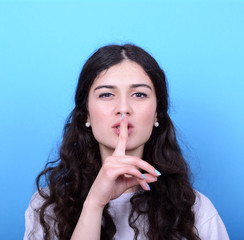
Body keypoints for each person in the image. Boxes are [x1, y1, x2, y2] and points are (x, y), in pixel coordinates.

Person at [24, 44, 229, 240]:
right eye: (106, 94)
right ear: (86, 113)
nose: (123, 108)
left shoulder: (197, 211)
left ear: (157, 113)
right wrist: (94, 204)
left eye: (139, 94)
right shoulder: (47, 207)